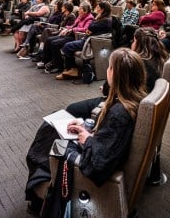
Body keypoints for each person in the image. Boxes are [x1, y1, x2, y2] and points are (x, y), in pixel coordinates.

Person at [24, 48, 147, 215]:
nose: (107, 70)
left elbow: (97, 166)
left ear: (117, 75)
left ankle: (40, 196)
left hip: (89, 165)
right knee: (52, 127)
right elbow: (109, 140)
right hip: (102, 150)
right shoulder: (133, 101)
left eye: (110, 67)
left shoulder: (119, 114)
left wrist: (87, 139)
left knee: (47, 138)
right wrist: (86, 129)